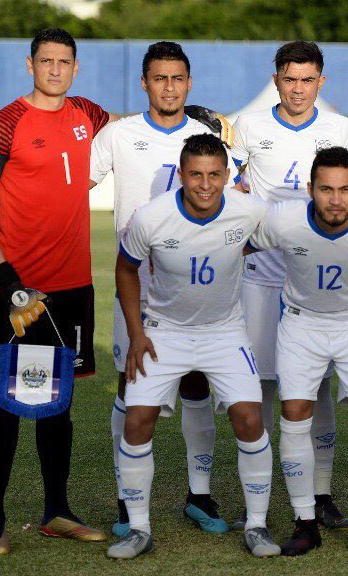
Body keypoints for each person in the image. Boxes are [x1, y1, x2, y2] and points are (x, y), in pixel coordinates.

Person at [0, 27, 113, 555]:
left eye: (64, 61)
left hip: (74, 288)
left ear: (76, 68)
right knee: (8, 402)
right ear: (30, 65)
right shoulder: (2, 127)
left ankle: (56, 511)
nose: (55, 69)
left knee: (60, 404)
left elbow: (140, 134)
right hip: (21, 293)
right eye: (46, 61)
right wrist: (9, 284)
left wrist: (198, 120)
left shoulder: (90, 116)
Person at [90, 40, 239, 538]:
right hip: (136, 284)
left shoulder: (206, 136)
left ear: (189, 83)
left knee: (197, 384)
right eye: (160, 78)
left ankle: (199, 493)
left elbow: (231, 196)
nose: (169, 87)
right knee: (131, 388)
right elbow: (73, 187)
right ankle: (127, 496)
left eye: (178, 78)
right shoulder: (117, 135)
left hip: (198, 290)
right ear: (145, 83)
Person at [107, 134, 280, 559]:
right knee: (137, 419)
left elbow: (289, 230)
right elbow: (126, 269)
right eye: (196, 175)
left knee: (249, 418)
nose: (205, 184)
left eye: (214, 175)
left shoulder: (249, 210)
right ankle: (138, 529)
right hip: (163, 331)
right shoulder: (151, 217)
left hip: (224, 332)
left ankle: (256, 525)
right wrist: (137, 333)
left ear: (227, 176)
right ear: (181, 175)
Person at [246, 147, 348, 556]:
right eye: (325, 190)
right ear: (310, 189)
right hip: (302, 324)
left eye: (345, 190)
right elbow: (238, 246)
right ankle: (305, 522)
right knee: (295, 415)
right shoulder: (283, 220)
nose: (335, 200)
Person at [230, 40, 348, 529]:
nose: (298, 89)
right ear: (276, 79)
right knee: (258, 387)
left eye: (308, 80)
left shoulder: (340, 129)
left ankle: (321, 494)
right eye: (290, 79)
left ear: (321, 82)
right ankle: (255, 495)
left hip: (316, 279)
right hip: (261, 277)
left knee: (317, 387)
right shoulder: (251, 127)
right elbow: (231, 183)